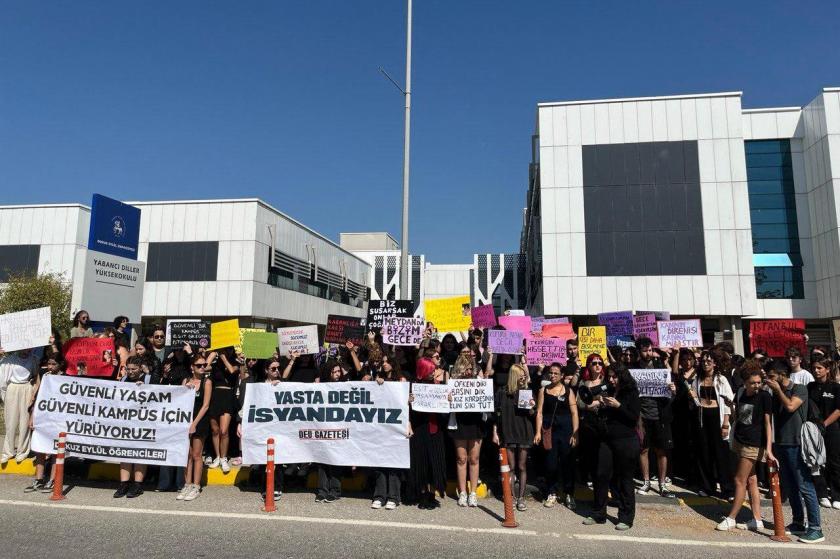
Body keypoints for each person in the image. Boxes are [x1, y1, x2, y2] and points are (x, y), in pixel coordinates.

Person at [765, 360, 824, 543]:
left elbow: (791, 406)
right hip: (781, 443)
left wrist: (778, 390)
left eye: (772, 376)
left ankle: (816, 528)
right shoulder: (775, 394)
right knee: (790, 486)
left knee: (804, 485)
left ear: (782, 374)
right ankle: (798, 521)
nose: (770, 380)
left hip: (797, 443)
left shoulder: (799, 389)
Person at [582, 365, 641, 530]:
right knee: (601, 475)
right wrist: (601, 404)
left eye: (615, 377)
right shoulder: (608, 390)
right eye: (610, 377)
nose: (611, 380)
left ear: (622, 377)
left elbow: (633, 417)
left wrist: (618, 406)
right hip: (607, 439)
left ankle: (626, 517)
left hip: (626, 441)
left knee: (624, 479)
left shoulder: (631, 392)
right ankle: (598, 513)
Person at [716, 370, 775, 532]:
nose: (756, 385)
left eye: (758, 382)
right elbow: (739, 416)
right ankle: (756, 519)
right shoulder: (741, 393)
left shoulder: (764, 397)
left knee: (739, 480)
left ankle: (732, 518)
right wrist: (731, 406)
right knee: (751, 480)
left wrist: (769, 449)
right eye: (753, 382)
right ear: (745, 382)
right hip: (740, 439)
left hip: (753, 443)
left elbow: (768, 423)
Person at [688, 350, 734, 499]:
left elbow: (728, 403)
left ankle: (727, 488)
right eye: (704, 361)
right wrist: (694, 396)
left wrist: (726, 424)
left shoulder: (721, 379)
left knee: (721, 454)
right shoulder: (697, 379)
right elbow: (696, 401)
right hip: (702, 418)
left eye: (709, 361)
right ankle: (707, 487)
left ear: (715, 363)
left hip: (717, 418)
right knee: (704, 453)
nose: (706, 364)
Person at [634, 337, 676, 499]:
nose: (648, 353)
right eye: (645, 350)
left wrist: (672, 389)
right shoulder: (635, 369)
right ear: (639, 352)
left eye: (650, 350)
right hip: (642, 417)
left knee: (661, 450)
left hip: (660, 416)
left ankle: (662, 483)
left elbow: (671, 395)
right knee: (643, 449)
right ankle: (646, 481)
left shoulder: (660, 367)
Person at [237, 358, 284, 502]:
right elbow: (249, 406)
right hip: (263, 428)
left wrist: (279, 387)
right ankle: (266, 487)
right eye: (273, 369)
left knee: (279, 458)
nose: (276, 371)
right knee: (264, 458)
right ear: (266, 371)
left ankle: (277, 486)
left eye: (278, 368)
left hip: (279, 427)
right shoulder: (258, 387)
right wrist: (240, 423)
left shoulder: (284, 385)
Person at [534, 362, 579, 510]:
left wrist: (575, 432)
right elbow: (539, 412)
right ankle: (551, 492)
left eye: (556, 373)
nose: (552, 376)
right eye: (550, 373)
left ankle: (568, 493)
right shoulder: (543, 390)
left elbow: (574, 413)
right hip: (550, 431)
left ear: (562, 376)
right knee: (550, 463)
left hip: (566, 431)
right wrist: (538, 432)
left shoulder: (568, 391)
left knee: (568, 463)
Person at [448, 353, 491, 508]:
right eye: (465, 368)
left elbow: (487, 401)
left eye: (470, 368)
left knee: (474, 458)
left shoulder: (479, 382)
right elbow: (445, 404)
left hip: (475, 423)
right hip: (459, 423)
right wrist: (449, 398)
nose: (468, 371)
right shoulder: (454, 384)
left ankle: (472, 492)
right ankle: (462, 492)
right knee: (461, 458)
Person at [494, 363, 535, 511]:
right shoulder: (502, 392)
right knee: (510, 467)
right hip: (508, 431)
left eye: (524, 374)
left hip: (524, 431)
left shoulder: (526, 391)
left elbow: (533, 414)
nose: (524, 376)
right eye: (521, 374)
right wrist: (495, 432)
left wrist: (531, 407)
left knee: (522, 465)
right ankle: (510, 495)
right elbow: (496, 414)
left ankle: (521, 498)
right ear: (514, 375)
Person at [370, 355, 410, 510]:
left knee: (394, 461)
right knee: (380, 460)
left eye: (387, 362)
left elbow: (406, 406)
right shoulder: (378, 379)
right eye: (383, 362)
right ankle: (379, 495)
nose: (384, 364)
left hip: (396, 425)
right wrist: (377, 384)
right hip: (380, 426)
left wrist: (408, 425)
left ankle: (393, 496)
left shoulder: (401, 381)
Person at [407, 356, 446, 509]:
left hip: (435, 429)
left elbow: (443, 411)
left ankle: (431, 494)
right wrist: (409, 401)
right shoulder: (415, 387)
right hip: (420, 430)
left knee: (434, 463)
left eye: (433, 370)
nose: (433, 373)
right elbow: (409, 412)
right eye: (430, 370)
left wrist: (447, 400)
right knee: (421, 464)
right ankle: (422, 494)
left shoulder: (437, 386)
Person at [24, 355, 65, 493]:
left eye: (53, 364)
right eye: (49, 364)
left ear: (60, 365)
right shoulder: (44, 375)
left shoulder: (65, 377)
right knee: (40, 448)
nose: (50, 367)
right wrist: (32, 417)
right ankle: (39, 479)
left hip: (58, 418)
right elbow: (37, 396)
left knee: (55, 450)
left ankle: (52, 480)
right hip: (43, 417)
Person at [113, 356, 152, 498]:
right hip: (126, 424)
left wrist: (146, 387)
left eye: (134, 369)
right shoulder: (123, 380)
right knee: (125, 453)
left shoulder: (148, 379)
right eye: (128, 369)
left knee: (139, 454)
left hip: (143, 424)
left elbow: (160, 393)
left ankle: (137, 485)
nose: (131, 372)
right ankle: (124, 484)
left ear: (140, 368)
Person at [179, 355, 212, 502]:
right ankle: (187, 484)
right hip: (186, 420)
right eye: (199, 365)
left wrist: (194, 423)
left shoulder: (207, 382)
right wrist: (185, 389)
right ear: (192, 367)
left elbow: (205, 405)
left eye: (204, 365)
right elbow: (178, 399)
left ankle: (196, 485)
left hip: (200, 421)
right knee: (187, 454)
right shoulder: (186, 381)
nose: (202, 367)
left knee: (197, 454)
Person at [808, 358, 840, 510]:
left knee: (834, 461)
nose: (816, 371)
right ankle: (822, 493)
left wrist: (825, 424)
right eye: (814, 368)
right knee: (816, 462)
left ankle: (836, 495)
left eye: (820, 368)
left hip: (831, 428)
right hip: (813, 430)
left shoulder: (835, 388)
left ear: (827, 369)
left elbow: (838, 410)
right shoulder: (810, 387)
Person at [0, 347, 38, 464]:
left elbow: (36, 376)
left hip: (27, 387)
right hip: (12, 388)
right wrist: (4, 396)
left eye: (30, 348)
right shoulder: (10, 359)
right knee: (10, 422)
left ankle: (22, 451)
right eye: (26, 348)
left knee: (24, 422)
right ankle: (8, 452)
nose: (28, 350)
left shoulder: (34, 359)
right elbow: (2, 380)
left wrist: (32, 392)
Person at [316, 362, 345, 503]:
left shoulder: (345, 386)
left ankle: (335, 490)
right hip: (322, 428)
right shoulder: (320, 387)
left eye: (339, 371)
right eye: (334, 372)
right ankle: (322, 490)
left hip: (338, 429)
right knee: (322, 461)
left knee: (335, 460)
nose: (337, 374)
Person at [207, 347, 239, 473]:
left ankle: (224, 458)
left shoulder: (235, 362)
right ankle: (218, 457)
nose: (224, 351)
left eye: (226, 350)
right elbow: (204, 367)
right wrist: (211, 355)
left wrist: (224, 358)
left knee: (224, 430)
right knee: (215, 430)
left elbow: (232, 371)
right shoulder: (215, 365)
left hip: (227, 396)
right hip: (215, 396)